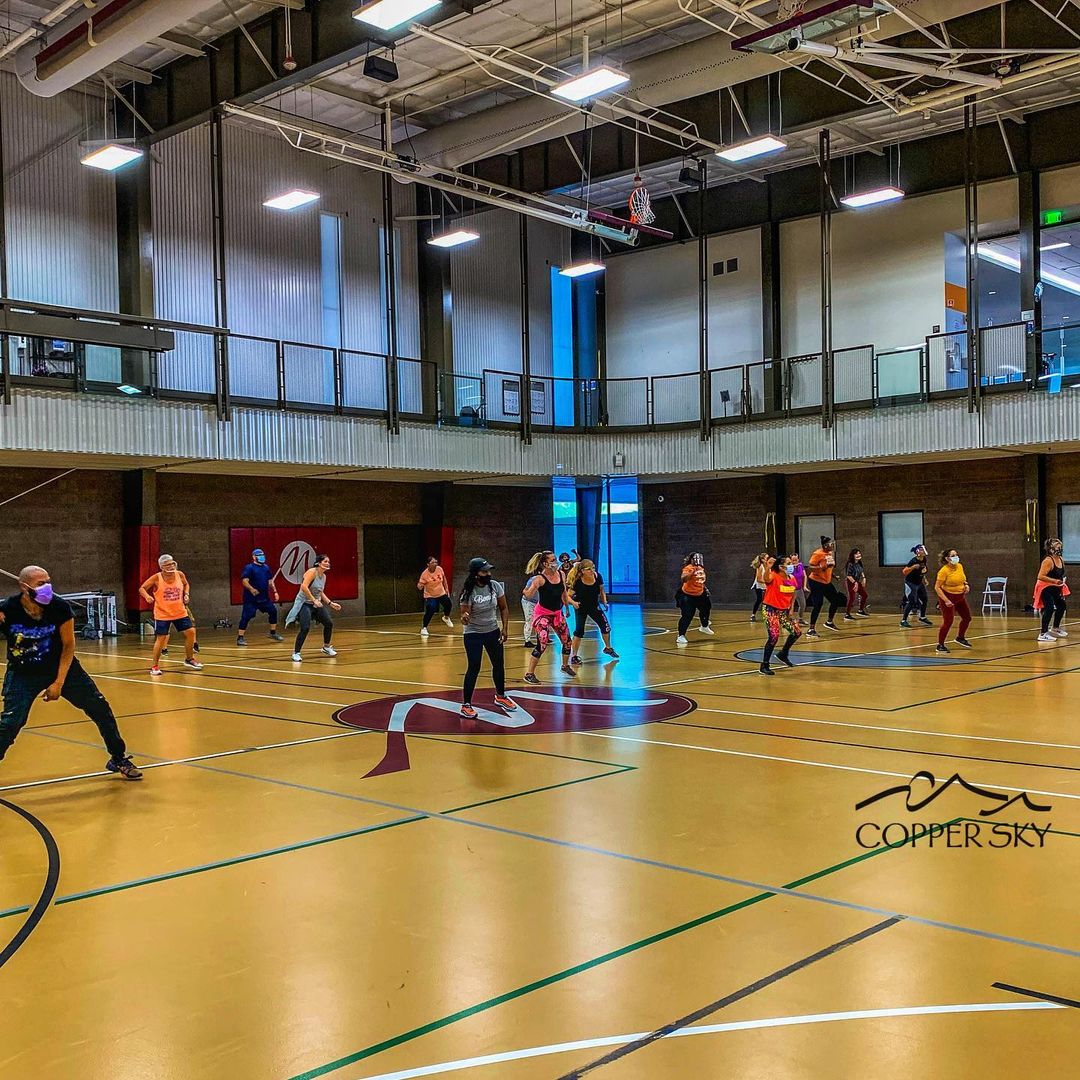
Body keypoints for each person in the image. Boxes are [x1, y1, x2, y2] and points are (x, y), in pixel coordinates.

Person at [0, 566, 141, 778]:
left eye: (48, 582)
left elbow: (68, 646)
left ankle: (118, 758)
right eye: (40, 584)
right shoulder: (8, 609)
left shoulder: (60, 607)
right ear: (24, 586)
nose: (47, 587)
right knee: (11, 722)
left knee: (100, 709)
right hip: (23, 673)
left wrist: (58, 683)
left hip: (63, 668)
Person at [459, 557, 517, 718]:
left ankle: (501, 696)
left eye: (489, 571)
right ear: (476, 574)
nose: (488, 574)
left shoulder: (495, 586)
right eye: (484, 571)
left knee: (498, 664)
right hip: (473, 634)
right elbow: (464, 614)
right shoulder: (468, 592)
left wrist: (504, 629)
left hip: (492, 630)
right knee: (474, 666)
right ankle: (466, 705)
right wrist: (465, 616)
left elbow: (504, 608)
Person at [140, 554, 203, 677]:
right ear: (162, 567)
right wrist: (147, 596)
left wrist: (186, 594)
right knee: (161, 639)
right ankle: (155, 666)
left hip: (179, 611)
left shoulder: (180, 574)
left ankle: (189, 659)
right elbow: (142, 588)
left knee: (190, 632)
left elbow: (186, 584)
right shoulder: (157, 578)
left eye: (173, 563)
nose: (172, 566)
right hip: (163, 614)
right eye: (168, 564)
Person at [523, 550, 576, 683]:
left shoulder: (561, 574)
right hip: (543, 614)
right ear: (545, 564)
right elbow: (528, 595)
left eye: (555, 559)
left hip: (557, 613)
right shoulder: (539, 579)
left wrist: (568, 607)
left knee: (567, 641)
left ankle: (565, 665)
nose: (555, 562)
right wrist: (525, 590)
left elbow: (563, 593)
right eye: (552, 560)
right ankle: (529, 674)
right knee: (543, 642)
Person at [285, 555, 341, 662]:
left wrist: (330, 603)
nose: (328, 563)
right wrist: (313, 600)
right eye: (325, 561)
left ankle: (326, 647)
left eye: (329, 561)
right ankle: (296, 653)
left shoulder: (323, 576)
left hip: (316, 604)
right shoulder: (312, 572)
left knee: (328, 623)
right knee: (305, 627)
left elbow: (320, 592)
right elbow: (304, 587)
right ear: (319, 563)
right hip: (304, 603)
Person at [758, 554, 803, 675]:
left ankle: (783, 654)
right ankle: (764, 665)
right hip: (770, 610)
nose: (791, 566)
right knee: (774, 636)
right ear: (781, 566)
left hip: (784, 611)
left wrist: (791, 609)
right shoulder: (774, 576)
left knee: (796, 632)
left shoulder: (792, 578)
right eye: (788, 564)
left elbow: (793, 594)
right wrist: (767, 566)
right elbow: (766, 578)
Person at [568, 559, 619, 664]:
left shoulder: (597, 576)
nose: (592, 571)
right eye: (589, 569)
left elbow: (601, 590)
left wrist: (604, 601)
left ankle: (608, 648)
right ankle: (574, 656)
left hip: (594, 606)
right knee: (579, 631)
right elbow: (567, 596)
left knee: (606, 627)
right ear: (582, 571)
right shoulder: (577, 581)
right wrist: (573, 603)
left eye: (593, 568)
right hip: (581, 607)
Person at [237, 547, 283, 646]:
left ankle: (273, 633)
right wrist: (252, 589)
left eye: (262, 555)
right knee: (246, 617)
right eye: (259, 555)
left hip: (264, 598)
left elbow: (270, 581)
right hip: (251, 599)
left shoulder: (266, 568)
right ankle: (240, 638)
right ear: (254, 557)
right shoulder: (249, 568)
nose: (261, 557)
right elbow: (244, 581)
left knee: (273, 611)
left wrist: (275, 592)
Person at [934, 548, 973, 653]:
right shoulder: (944, 571)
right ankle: (940, 644)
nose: (956, 557)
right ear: (947, 558)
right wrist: (946, 600)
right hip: (948, 597)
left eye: (956, 555)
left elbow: (962, 579)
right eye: (953, 555)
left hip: (959, 596)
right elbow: (937, 587)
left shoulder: (959, 566)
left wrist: (966, 585)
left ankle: (960, 637)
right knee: (948, 621)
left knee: (967, 618)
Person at [806, 536, 844, 637]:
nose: (832, 545)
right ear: (825, 545)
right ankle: (811, 629)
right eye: (831, 544)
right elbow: (811, 567)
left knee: (835, 600)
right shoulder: (817, 554)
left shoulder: (829, 553)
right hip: (816, 581)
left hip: (826, 581)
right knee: (818, 604)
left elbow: (829, 567)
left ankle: (829, 622)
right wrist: (821, 567)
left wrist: (834, 576)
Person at [675, 552, 714, 645]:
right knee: (688, 615)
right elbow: (684, 579)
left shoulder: (701, 568)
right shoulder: (688, 568)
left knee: (706, 607)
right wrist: (691, 572)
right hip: (687, 595)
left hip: (700, 593)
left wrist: (704, 588)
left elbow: (699, 580)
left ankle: (704, 626)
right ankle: (681, 636)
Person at [1035, 537, 1068, 643]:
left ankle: (1055, 628)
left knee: (1062, 605)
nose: (1060, 550)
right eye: (1057, 548)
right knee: (1049, 608)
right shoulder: (1048, 561)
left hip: (1054, 587)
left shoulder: (1061, 560)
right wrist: (1054, 581)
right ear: (1051, 549)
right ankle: (1043, 633)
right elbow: (1040, 576)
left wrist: (1059, 582)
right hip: (1044, 587)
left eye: (1060, 547)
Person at [417, 556, 454, 638]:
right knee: (431, 608)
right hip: (430, 595)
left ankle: (446, 617)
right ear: (428, 564)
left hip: (441, 593)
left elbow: (444, 579)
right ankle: (424, 628)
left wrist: (446, 589)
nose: (435, 564)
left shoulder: (439, 569)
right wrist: (421, 585)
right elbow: (419, 586)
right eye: (433, 562)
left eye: (436, 562)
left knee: (448, 604)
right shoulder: (424, 574)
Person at [900, 545, 933, 628]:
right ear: (918, 552)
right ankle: (903, 620)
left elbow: (922, 570)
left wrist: (924, 579)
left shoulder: (924, 559)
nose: (924, 551)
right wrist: (913, 567)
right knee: (912, 601)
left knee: (924, 599)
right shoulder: (913, 561)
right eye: (921, 550)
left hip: (919, 582)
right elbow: (904, 571)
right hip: (910, 583)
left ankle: (922, 617)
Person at [521, 552, 546, 649]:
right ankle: (527, 640)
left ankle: (541, 637)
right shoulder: (534, 579)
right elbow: (526, 593)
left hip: (538, 602)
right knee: (529, 620)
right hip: (529, 602)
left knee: (541, 620)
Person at [844, 548, 870, 620]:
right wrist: (854, 583)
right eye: (856, 554)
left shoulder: (859, 563)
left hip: (857, 581)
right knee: (852, 598)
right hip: (851, 582)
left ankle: (860, 610)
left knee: (864, 595)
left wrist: (864, 578)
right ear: (853, 555)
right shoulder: (850, 564)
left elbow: (861, 571)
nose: (858, 555)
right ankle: (847, 614)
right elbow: (848, 575)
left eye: (859, 553)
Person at [749, 553, 768, 622]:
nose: (767, 559)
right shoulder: (760, 567)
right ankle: (753, 615)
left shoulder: (768, 566)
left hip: (765, 586)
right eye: (766, 558)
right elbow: (759, 579)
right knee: (759, 599)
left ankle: (765, 615)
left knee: (766, 601)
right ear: (763, 559)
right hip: (759, 586)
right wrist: (767, 582)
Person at [790, 551, 808, 619]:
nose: (794, 561)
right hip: (792, 589)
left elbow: (804, 576)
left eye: (796, 560)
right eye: (793, 560)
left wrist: (804, 586)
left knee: (803, 604)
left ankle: (800, 618)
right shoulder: (789, 567)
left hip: (799, 589)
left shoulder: (800, 565)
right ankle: (789, 619)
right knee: (791, 605)